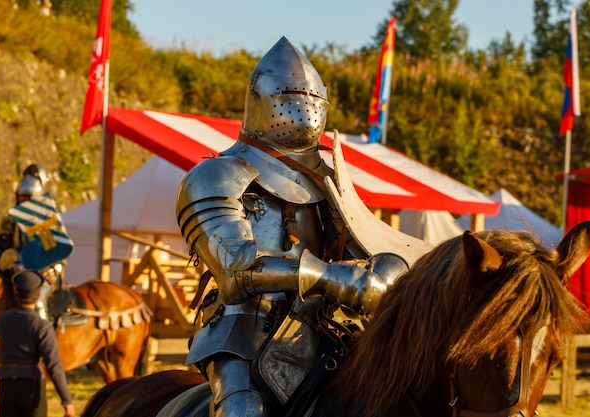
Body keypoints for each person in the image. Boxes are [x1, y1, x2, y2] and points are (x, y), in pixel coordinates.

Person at [176, 36, 419, 417]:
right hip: (244, 330)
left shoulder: (328, 180)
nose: (303, 109)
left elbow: (365, 252)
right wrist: (334, 280)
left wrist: (383, 276)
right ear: (261, 101)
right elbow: (236, 271)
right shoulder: (216, 175)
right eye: (290, 96)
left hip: (324, 329)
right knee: (242, 412)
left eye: (312, 101)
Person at [0, 269, 74, 417]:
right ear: (39, 294)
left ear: (15, 293)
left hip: (6, 386)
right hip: (31, 386)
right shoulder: (42, 326)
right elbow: (54, 366)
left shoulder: (1, 319)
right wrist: (66, 401)